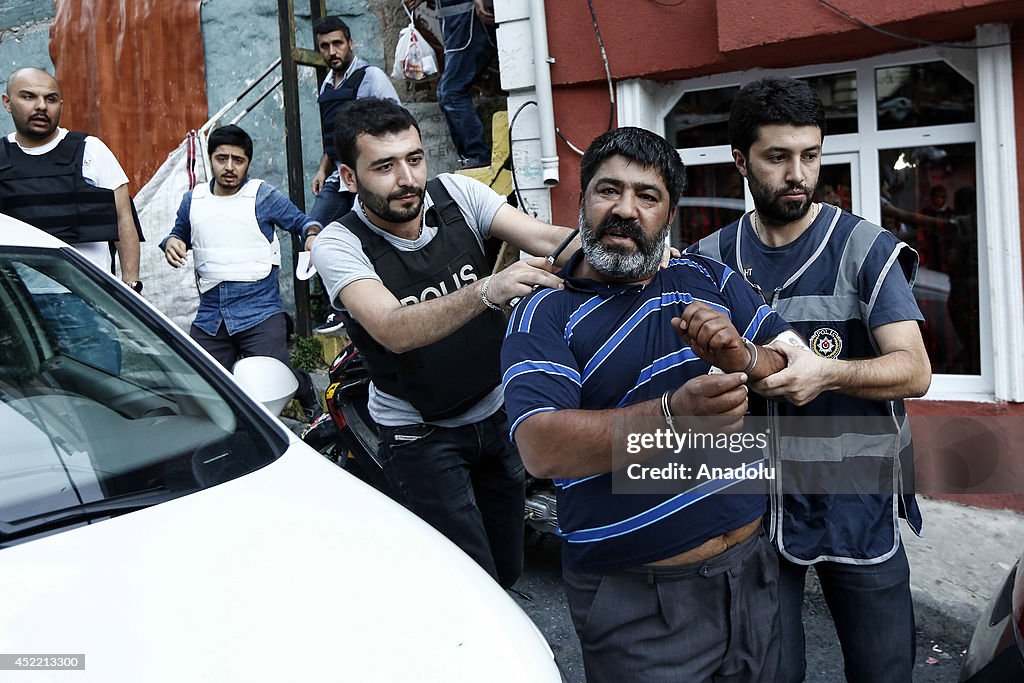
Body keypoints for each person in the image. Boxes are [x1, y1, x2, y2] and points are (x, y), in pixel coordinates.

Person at [501, 126, 797, 682]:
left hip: (751, 573)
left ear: (669, 214)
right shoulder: (544, 311)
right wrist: (672, 418)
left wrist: (742, 354)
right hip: (639, 600)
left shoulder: (708, 276)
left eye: (647, 196)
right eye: (608, 191)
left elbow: (791, 362)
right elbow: (540, 446)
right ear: (582, 200)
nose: (625, 209)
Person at [688, 76, 932, 683]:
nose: (798, 172)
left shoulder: (864, 249)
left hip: (856, 502)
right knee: (771, 671)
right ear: (740, 160)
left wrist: (829, 374)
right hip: (756, 512)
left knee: (883, 671)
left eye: (811, 155)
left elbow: (915, 369)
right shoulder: (711, 257)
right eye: (778, 157)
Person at [310, 97, 572, 588]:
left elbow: (548, 237)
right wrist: (488, 290)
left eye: (414, 158)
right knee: (470, 580)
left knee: (509, 567)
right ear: (349, 178)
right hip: (421, 437)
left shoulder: (455, 195)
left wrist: (634, 251)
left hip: (497, 416)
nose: (407, 178)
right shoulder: (338, 244)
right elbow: (392, 328)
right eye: (384, 167)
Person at [161, 125, 322, 417]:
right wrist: (172, 242)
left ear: (248, 162)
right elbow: (179, 233)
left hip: (260, 311)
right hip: (212, 316)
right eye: (222, 158)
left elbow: (303, 222)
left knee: (274, 377)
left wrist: (311, 236)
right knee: (200, 379)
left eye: (238, 160)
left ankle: (303, 386)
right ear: (211, 159)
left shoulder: (262, 196)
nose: (230, 167)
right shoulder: (193, 200)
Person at [0, 67, 142, 373]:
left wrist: (130, 286)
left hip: (84, 299)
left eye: (50, 99)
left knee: (101, 391)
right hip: (16, 307)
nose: (41, 106)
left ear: (61, 105)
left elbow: (123, 220)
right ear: (7, 102)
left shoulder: (92, 151)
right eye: (29, 97)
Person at [310, 16, 401, 334]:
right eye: (325, 46)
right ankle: (340, 307)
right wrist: (323, 170)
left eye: (337, 43)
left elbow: (395, 123)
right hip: (338, 174)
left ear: (350, 43)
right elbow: (334, 135)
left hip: (364, 176)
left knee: (359, 238)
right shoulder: (326, 85)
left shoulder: (370, 77)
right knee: (313, 232)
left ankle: (377, 304)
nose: (332, 51)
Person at [405, 0, 494, 169]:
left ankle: (477, 156)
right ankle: (471, 157)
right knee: (447, 93)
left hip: (468, 21)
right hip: (457, 22)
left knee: (451, 92)